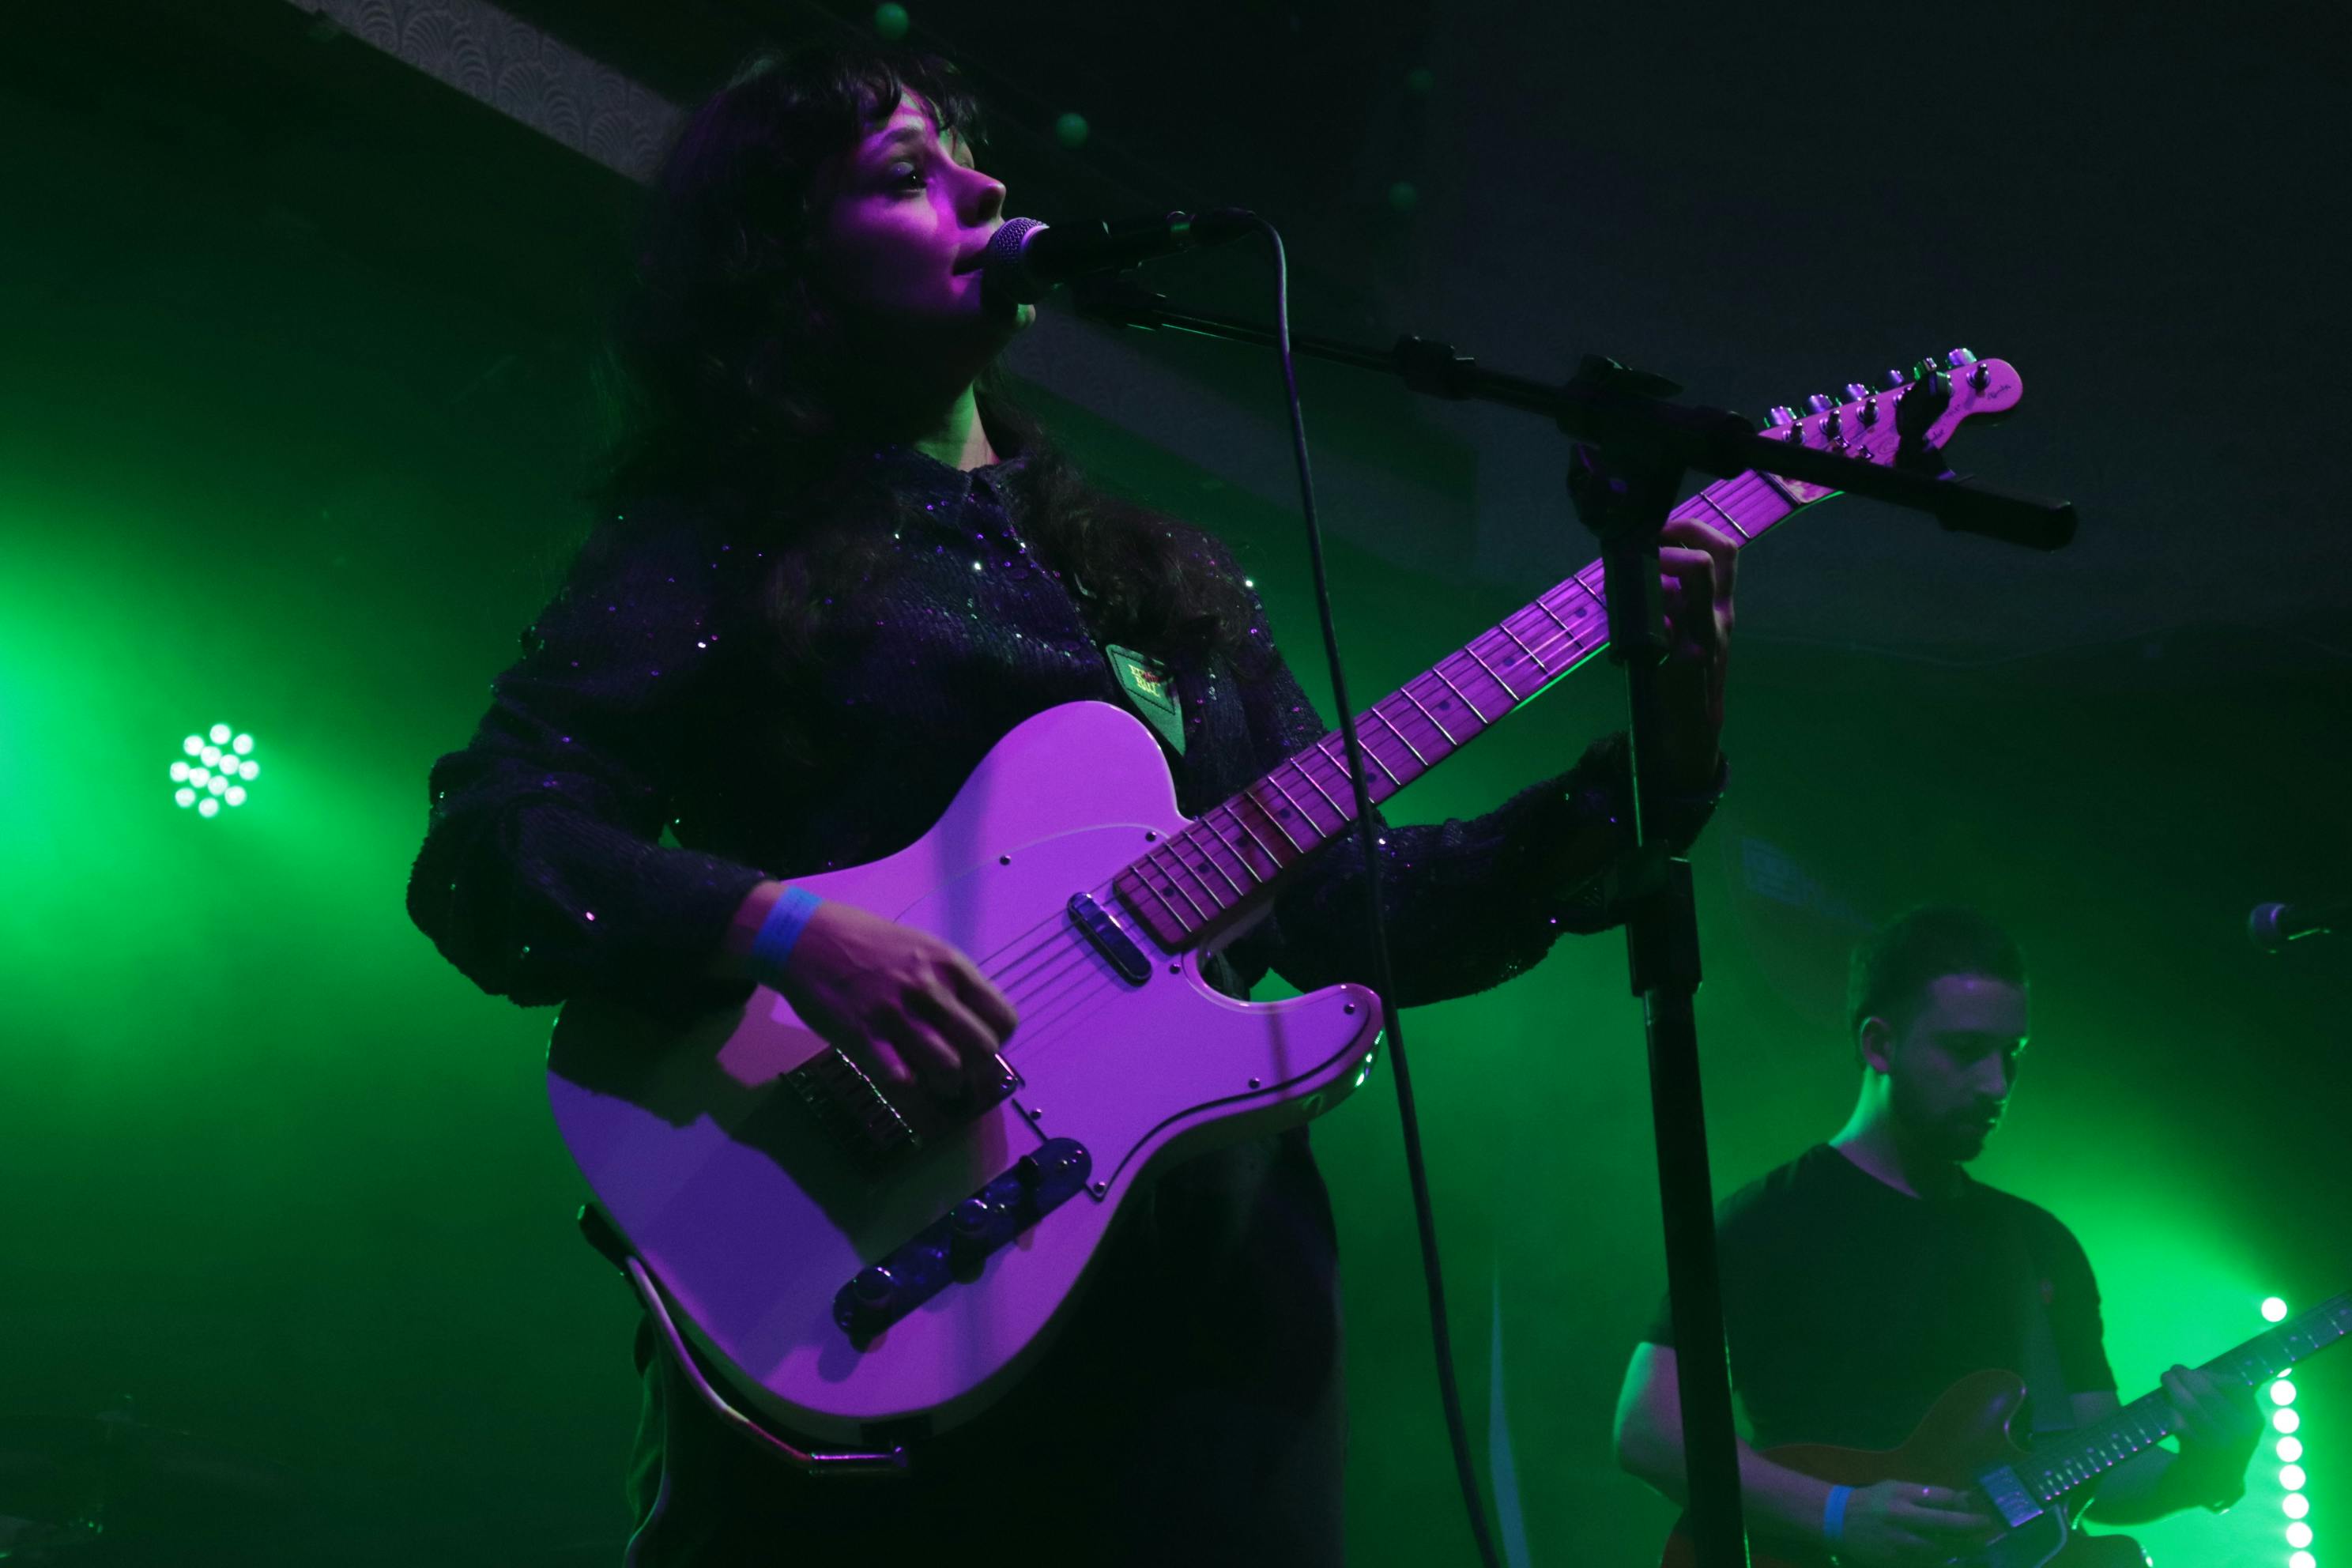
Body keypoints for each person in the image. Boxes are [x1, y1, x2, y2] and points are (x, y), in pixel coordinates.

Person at [408, 41, 1735, 1566]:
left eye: (974, 155)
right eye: (907, 175)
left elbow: (1361, 907)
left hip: (1205, 1299)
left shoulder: (1162, 578)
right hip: (864, 1262)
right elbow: (496, 845)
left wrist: (1661, 750)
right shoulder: (713, 531)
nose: (984, 185)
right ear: (780, 260)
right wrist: (783, 930)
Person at [1611, 906, 2263, 1566]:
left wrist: (2210, 1467)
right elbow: (1647, 1430)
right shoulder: (1768, 1222)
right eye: (1964, 1051)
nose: (1996, 1084)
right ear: (1879, 1045)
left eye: (2012, 1054)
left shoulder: (2039, 1242)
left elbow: (2101, 1475)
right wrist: (1838, 1515)